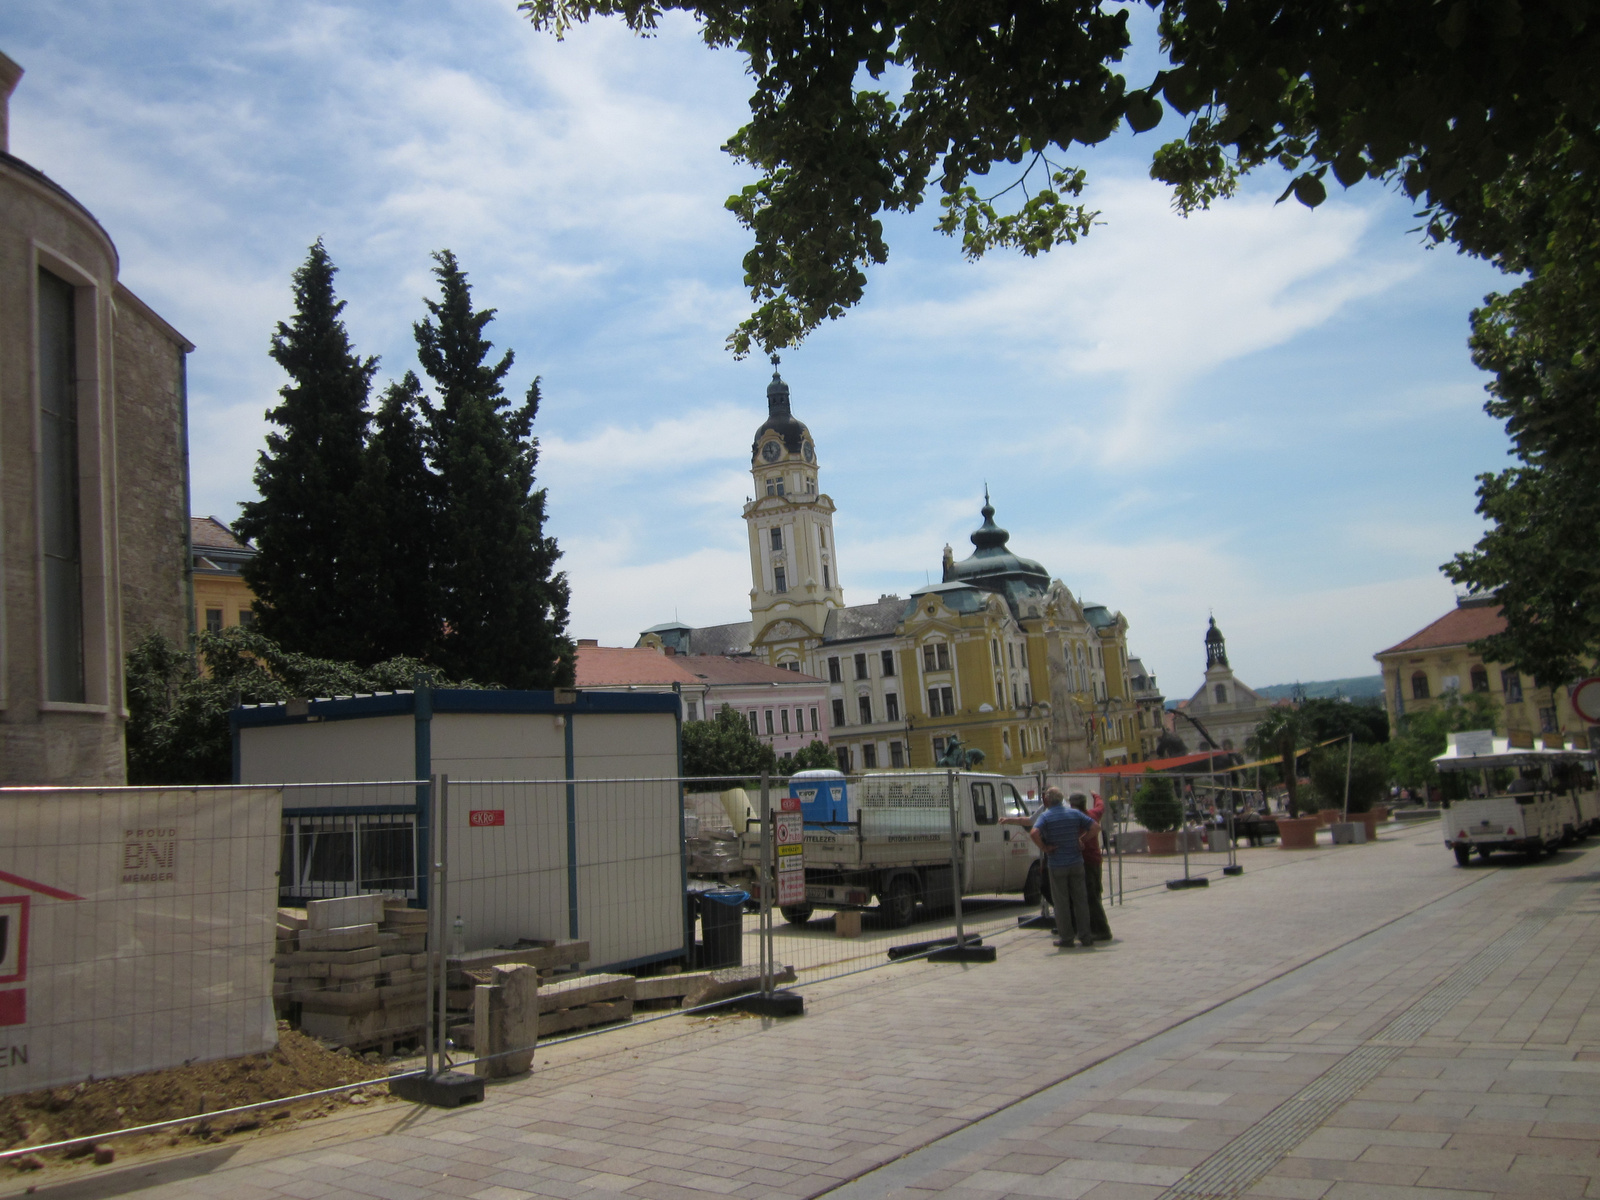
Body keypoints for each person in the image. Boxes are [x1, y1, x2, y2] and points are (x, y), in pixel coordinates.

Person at [1029, 787, 1098, 949]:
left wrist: (1045, 848)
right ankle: (1085, 936)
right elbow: (1095, 827)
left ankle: (1067, 938)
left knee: (1062, 903)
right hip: (1076, 862)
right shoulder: (1074, 813)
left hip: (1057, 864)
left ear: (1047, 800)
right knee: (1081, 901)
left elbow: (1033, 833)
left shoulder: (1046, 816)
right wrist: (1082, 840)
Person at [1069, 793, 1112, 942]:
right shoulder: (1093, 814)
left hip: (1085, 860)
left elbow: (1096, 825)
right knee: (1094, 894)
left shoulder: (1076, 819)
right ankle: (1093, 927)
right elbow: (1100, 806)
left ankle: (1101, 930)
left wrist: (1081, 840)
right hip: (1095, 860)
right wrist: (1096, 795)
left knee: (1090, 897)